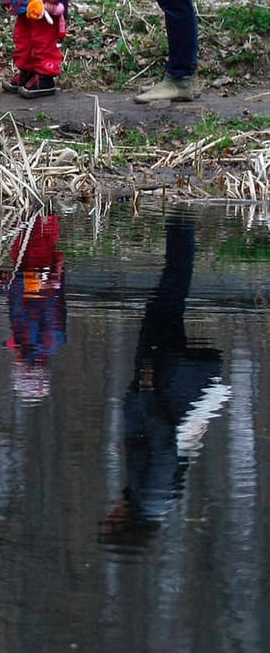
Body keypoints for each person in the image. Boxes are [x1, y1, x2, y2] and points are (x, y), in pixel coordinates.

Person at [101, 212, 228, 548]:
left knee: (169, 297)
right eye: (112, 521)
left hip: (159, 384)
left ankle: (181, 224)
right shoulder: (153, 494)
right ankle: (182, 221)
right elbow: (163, 443)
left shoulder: (151, 500)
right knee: (170, 293)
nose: (111, 512)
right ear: (123, 525)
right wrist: (145, 390)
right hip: (159, 382)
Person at [0, 213, 66, 402]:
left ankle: (30, 207)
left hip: (25, 275)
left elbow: (17, 308)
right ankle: (39, 206)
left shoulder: (24, 342)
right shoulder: (48, 340)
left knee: (24, 238)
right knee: (37, 238)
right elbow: (51, 302)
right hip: (37, 274)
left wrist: (10, 285)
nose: (14, 366)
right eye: (18, 370)